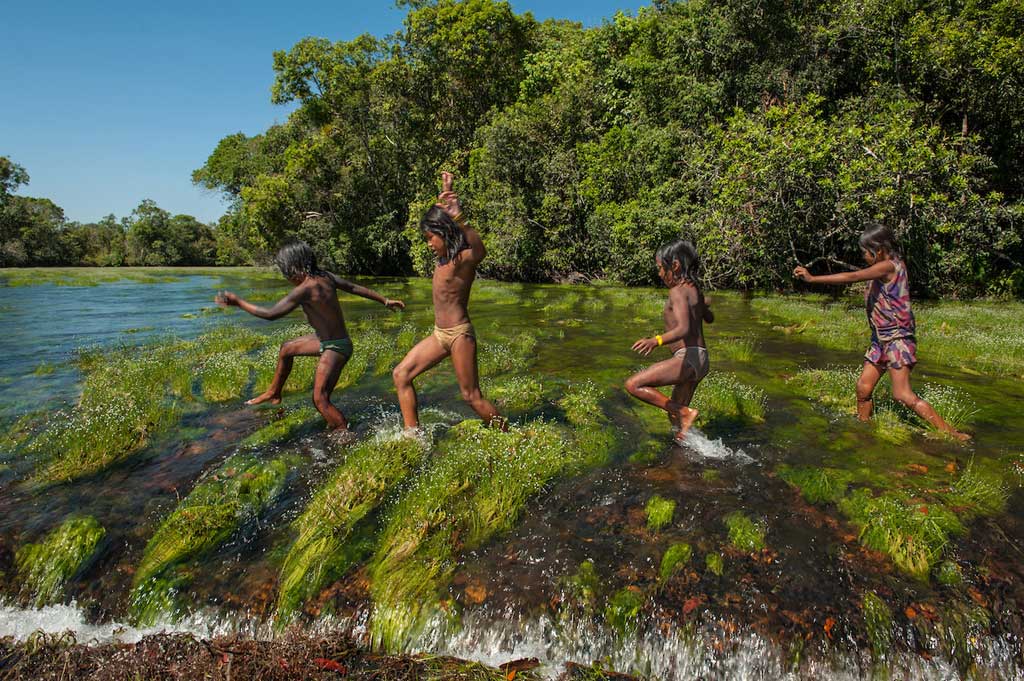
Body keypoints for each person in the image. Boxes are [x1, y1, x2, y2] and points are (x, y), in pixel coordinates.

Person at [794, 223, 970, 441]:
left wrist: (812, 279)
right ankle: (863, 429)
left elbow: (852, 277)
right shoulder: (880, 269)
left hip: (897, 340)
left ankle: (953, 434)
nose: (864, 257)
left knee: (902, 395)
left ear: (877, 250)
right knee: (863, 388)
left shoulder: (889, 266)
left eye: (865, 253)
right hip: (881, 340)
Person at [215, 241, 404, 434]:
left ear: (294, 268)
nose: (286, 277)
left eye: (285, 272)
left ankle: (343, 433)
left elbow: (271, 314)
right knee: (287, 348)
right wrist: (385, 300)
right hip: (328, 342)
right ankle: (274, 392)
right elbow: (354, 287)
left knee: (320, 399)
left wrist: (239, 302)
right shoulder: (326, 276)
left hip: (335, 348)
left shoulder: (304, 289)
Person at [392, 171, 505, 432]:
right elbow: (440, 217)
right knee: (401, 374)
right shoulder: (443, 258)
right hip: (439, 335)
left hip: (458, 336)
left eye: (431, 238)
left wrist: (458, 215)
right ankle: (413, 436)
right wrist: (447, 192)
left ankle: (508, 436)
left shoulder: (461, 261)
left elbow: (480, 250)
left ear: (444, 233)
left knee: (471, 396)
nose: (429, 244)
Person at [625, 240, 714, 443]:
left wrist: (655, 340)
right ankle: (692, 454)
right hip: (701, 359)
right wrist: (703, 307)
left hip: (688, 358)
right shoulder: (694, 290)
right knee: (676, 422)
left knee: (633, 384)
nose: (659, 274)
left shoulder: (677, 291)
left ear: (674, 266)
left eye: (660, 268)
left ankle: (685, 413)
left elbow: (683, 328)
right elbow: (709, 319)